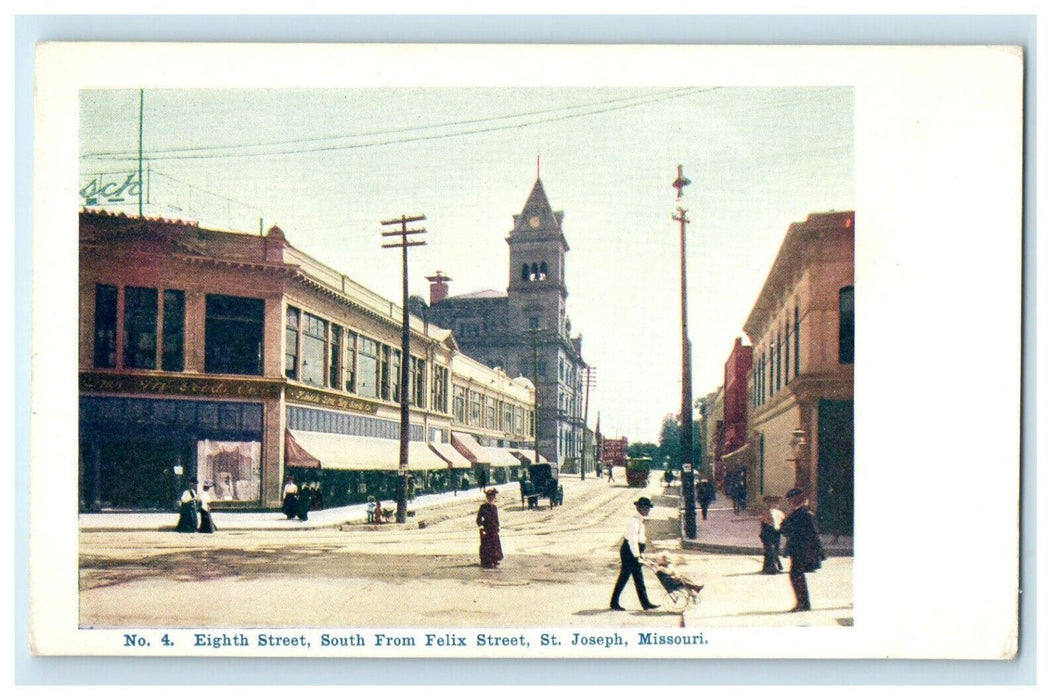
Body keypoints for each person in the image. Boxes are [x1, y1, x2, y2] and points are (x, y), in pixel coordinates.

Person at [779, 487, 826, 612]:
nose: (789, 502)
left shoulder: (804, 514)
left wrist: (813, 552)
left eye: (791, 500)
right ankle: (802, 603)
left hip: (802, 549)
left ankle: (803, 604)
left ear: (796, 500)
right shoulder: (797, 513)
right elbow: (784, 529)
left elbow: (813, 534)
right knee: (796, 575)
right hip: (798, 549)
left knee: (796, 575)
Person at [609, 496, 660, 611]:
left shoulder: (640, 520)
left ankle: (645, 603)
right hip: (629, 552)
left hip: (633, 551)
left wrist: (641, 554)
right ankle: (615, 602)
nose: (648, 511)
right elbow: (632, 541)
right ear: (640, 508)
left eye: (649, 508)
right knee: (626, 577)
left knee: (636, 578)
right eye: (646, 508)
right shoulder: (634, 522)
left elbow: (640, 539)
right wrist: (637, 555)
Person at [476, 487, 503, 569]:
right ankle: (486, 561)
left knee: (495, 544)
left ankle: (494, 560)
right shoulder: (483, 507)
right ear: (486, 498)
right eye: (489, 497)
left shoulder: (494, 507)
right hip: (486, 529)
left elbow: (496, 518)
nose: (490, 499)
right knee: (486, 545)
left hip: (493, 529)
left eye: (492, 498)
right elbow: (478, 519)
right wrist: (481, 526)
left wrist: (497, 526)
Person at [759, 495, 784, 574]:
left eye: (776, 503)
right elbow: (764, 523)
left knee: (775, 550)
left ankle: (768, 567)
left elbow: (782, 522)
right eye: (773, 503)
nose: (775, 505)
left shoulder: (780, 513)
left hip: (776, 533)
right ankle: (771, 568)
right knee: (770, 550)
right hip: (767, 533)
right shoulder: (766, 513)